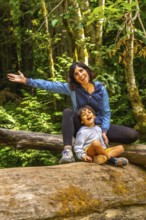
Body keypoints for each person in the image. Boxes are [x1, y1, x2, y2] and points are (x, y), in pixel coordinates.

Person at [7, 62, 138, 164]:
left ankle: (102, 155)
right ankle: (68, 152)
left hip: (98, 126)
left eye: (81, 71)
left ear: (87, 70)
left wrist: (104, 131)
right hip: (81, 126)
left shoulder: (100, 88)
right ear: (74, 78)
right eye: (76, 74)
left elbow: (106, 112)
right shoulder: (73, 89)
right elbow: (50, 85)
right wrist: (27, 81)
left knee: (132, 135)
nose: (80, 75)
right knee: (68, 112)